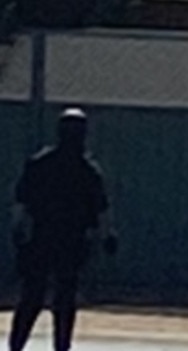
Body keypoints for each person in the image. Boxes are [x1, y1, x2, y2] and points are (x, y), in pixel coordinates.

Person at [8, 107, 118, 351]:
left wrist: (18, 228)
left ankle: (19, 345)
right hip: (66, 240)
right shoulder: (86, 170)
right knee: (60, 297)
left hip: (47, 239)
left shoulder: (42, 163)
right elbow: (101, 208)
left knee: (35, 296)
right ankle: (56, 346)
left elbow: (21, 201)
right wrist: (108, 234)